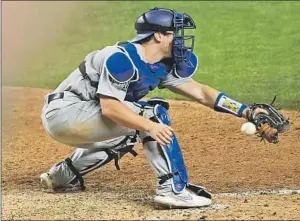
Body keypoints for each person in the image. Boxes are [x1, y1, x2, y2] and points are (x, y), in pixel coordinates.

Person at [40, 7, 264, 208]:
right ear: (158, 35)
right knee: (151, 114)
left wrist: (246, 111)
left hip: (79, 117)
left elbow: (202, 93)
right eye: (174, 33)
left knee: (131, 127)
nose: (179, 39)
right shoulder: (121, 58)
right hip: (66, 113)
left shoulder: (160, 66)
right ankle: (172, 189)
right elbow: (110, 108)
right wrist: (150, 125)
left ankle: (61, 175)